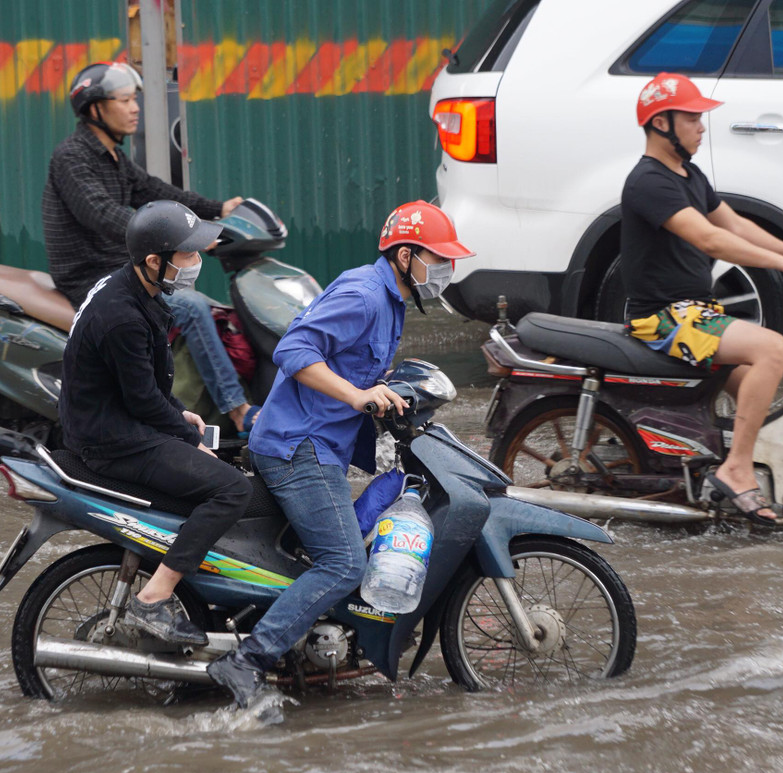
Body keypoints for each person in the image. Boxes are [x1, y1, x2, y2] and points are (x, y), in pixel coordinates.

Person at [206, 202, 474, 714]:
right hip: (298, 448)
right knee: (345, 563)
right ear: (403, 256)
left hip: (315, 444)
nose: (444, 271)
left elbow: (356, 368)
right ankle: (248, 660)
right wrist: (356, 396)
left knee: (336, 546)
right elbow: (294, 350)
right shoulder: (365, 294)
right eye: (436, 259)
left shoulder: (391, 299)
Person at [623, 72, 783, 526]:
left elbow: (734, 224)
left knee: (757, 394)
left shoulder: (688, 174)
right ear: (662, 123)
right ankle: (736, 469)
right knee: (772, 348)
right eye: (693, 117)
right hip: (664, 318)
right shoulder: (649, 182)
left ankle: (730, 462)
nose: (702, 126)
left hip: (696, 313)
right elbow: (711, 240)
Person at [60, 200, 253, 645]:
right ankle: (154, 596)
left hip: (110, 418)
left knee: (223, 453)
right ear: (154, 261)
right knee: (233, 488)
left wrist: (177, 413)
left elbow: (143, 386)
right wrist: (184, 434)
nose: (195, 263)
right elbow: (143, 400)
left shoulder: (128, 285)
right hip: (112, 440)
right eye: (187, 255)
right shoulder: (121, 315)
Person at [42, 61, 259, 436]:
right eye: (124, 100)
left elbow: (158, 192)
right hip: (89, 276)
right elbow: (102, 214)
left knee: (200, 303)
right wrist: (178, 239)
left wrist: (216, 208)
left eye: (134, 99)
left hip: (118, 267)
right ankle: (238, 410)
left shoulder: (113, 157)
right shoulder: (72, 157)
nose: (134, 107)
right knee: (189, 305)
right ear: (95, 108)